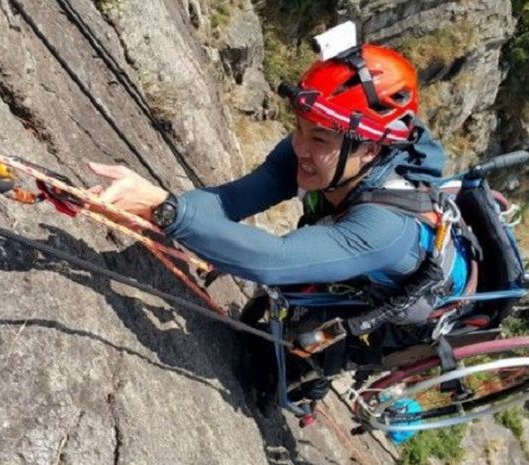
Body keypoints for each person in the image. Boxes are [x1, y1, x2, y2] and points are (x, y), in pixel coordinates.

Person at [86, 43, 468, 408]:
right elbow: (234, 199)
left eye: (318, 138)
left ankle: (302, 379)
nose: (299, 147)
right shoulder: (334, 148)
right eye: (298, 127)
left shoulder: (385, 228)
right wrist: (167, 208)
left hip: (391, 302)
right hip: (344, 246)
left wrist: (166, 211)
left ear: (370, 148)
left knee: (290, 357)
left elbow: (275, 259)